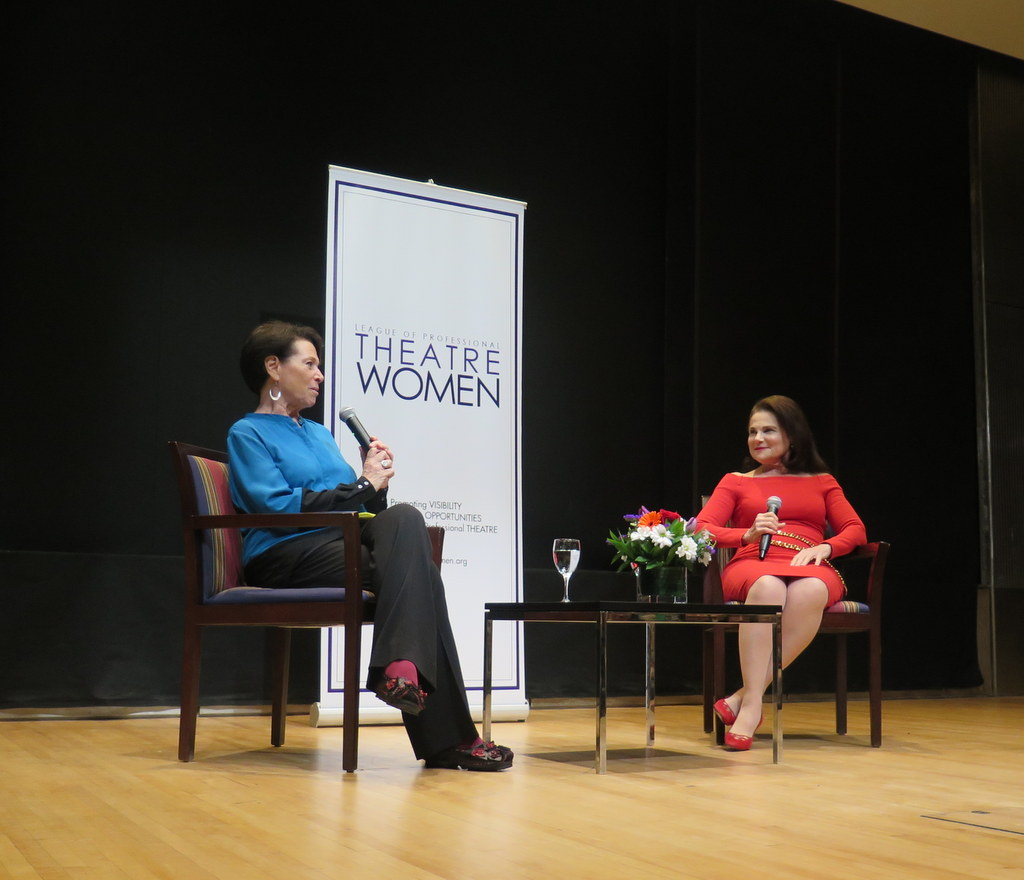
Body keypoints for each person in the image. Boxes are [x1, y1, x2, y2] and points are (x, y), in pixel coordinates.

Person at [226, 320, 513, 771]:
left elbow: (359, 506)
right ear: (273, 368)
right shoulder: (248, 433)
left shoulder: (318, 434)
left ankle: (402, 673)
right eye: (310, 363)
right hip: (284, 553)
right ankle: (445, 732)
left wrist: (372, 482)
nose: (320, 374)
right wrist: (361, 485)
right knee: (423, 578)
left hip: (339, 545)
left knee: (404, 519)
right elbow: (274, 504)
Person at [696, 395, 866, 751]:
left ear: (792, 435)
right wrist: (745, 533)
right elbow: (702, 529)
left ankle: (744, 697)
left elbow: (855, 529)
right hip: (752, 563)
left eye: (768, 430)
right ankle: (754, 704)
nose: (758, 438)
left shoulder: (821, 481)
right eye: (752, 431)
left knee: (810, 591)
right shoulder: (736, 481)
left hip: (809, 565)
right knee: (768, 587)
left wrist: (827, 547)